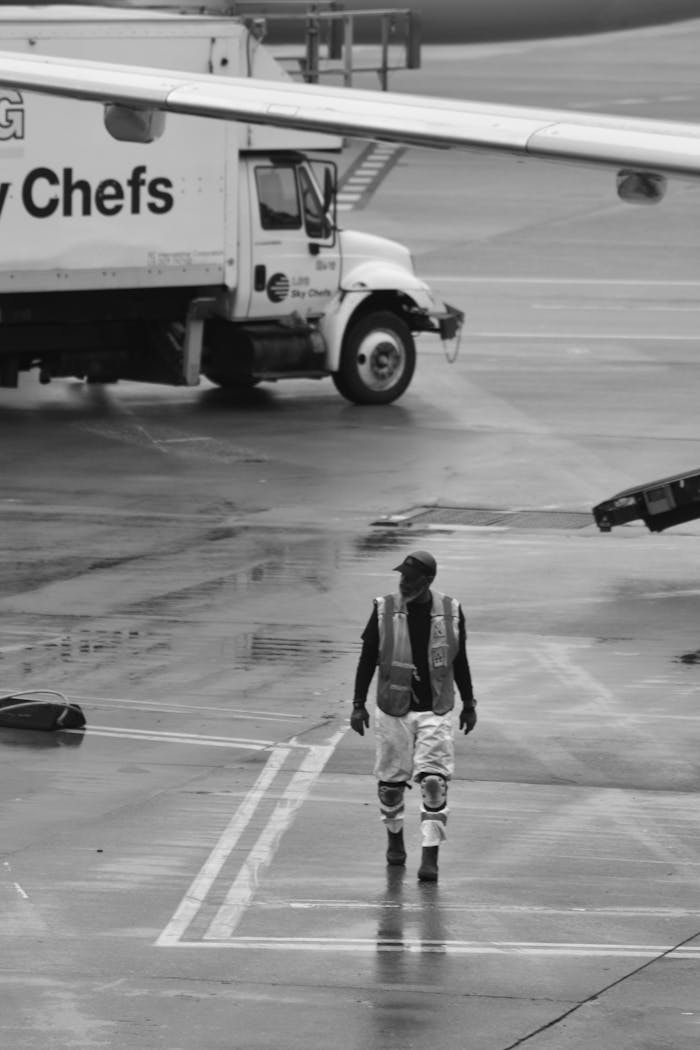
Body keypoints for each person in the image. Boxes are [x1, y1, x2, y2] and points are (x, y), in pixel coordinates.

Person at [350, 550, 477, 882]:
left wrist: (470, 703)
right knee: (391, 787)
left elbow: (459, 660)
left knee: (434, 784)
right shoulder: (384, 609)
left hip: (435, 707)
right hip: (393, 707)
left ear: (428, 580)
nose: (403, 582)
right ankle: (395, 842)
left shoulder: (450, 611)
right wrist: (357, 703)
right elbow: (367, 659)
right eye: (401, 577)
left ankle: (430, 857)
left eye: (410, 578)